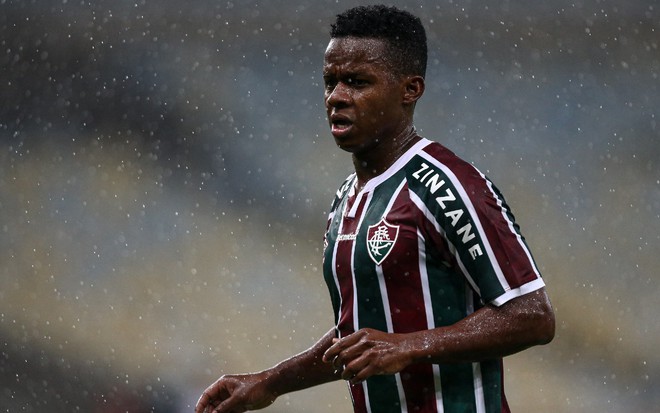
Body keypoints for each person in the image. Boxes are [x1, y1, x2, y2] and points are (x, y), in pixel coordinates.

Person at [196, 5, 555, 413]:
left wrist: (410, 345)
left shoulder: (446, 185)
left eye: (357, 82)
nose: (337, 97)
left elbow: (532, 315)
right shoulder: (347, 198)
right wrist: (270, 382)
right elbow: (362, 338)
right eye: (330, 81)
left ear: (410, 90)